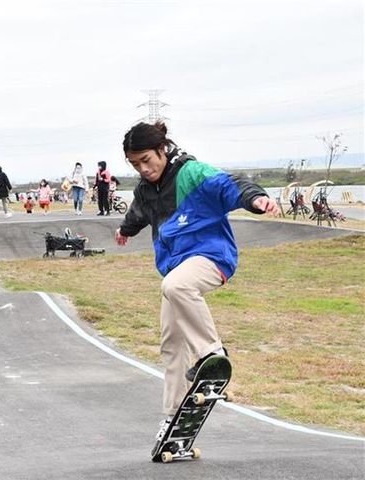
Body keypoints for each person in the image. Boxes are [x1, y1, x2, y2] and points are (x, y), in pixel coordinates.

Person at [114, 121, 279, 443]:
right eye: (135, 165)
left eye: (147, 160)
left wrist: (256, 199)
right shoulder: (146, 189)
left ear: (163, 149)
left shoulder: (192, 173)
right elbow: (138, 212)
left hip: (210, 257)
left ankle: (211, 354)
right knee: (171, 344)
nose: (143, 169)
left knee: (176, 286)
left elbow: (231, 185)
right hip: (175, 266)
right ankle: (172, 416)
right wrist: (125, 230)